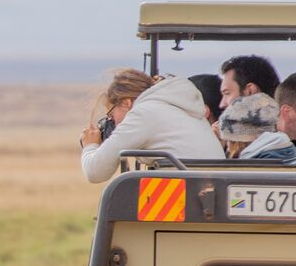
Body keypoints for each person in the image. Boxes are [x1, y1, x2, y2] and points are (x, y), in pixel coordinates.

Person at [79, 68, 224, 183]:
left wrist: (90, 146)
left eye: (112, 115)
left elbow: (95, 172)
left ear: (126, 103)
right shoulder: (175, 106)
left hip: (193, 189)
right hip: (212, 185)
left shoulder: (143, 113)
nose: (113, 122)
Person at [216, 94, 296, 164]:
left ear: (238, 141)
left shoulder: (252, 167)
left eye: (229, 141)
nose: (228, 149)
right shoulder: (289, 156)